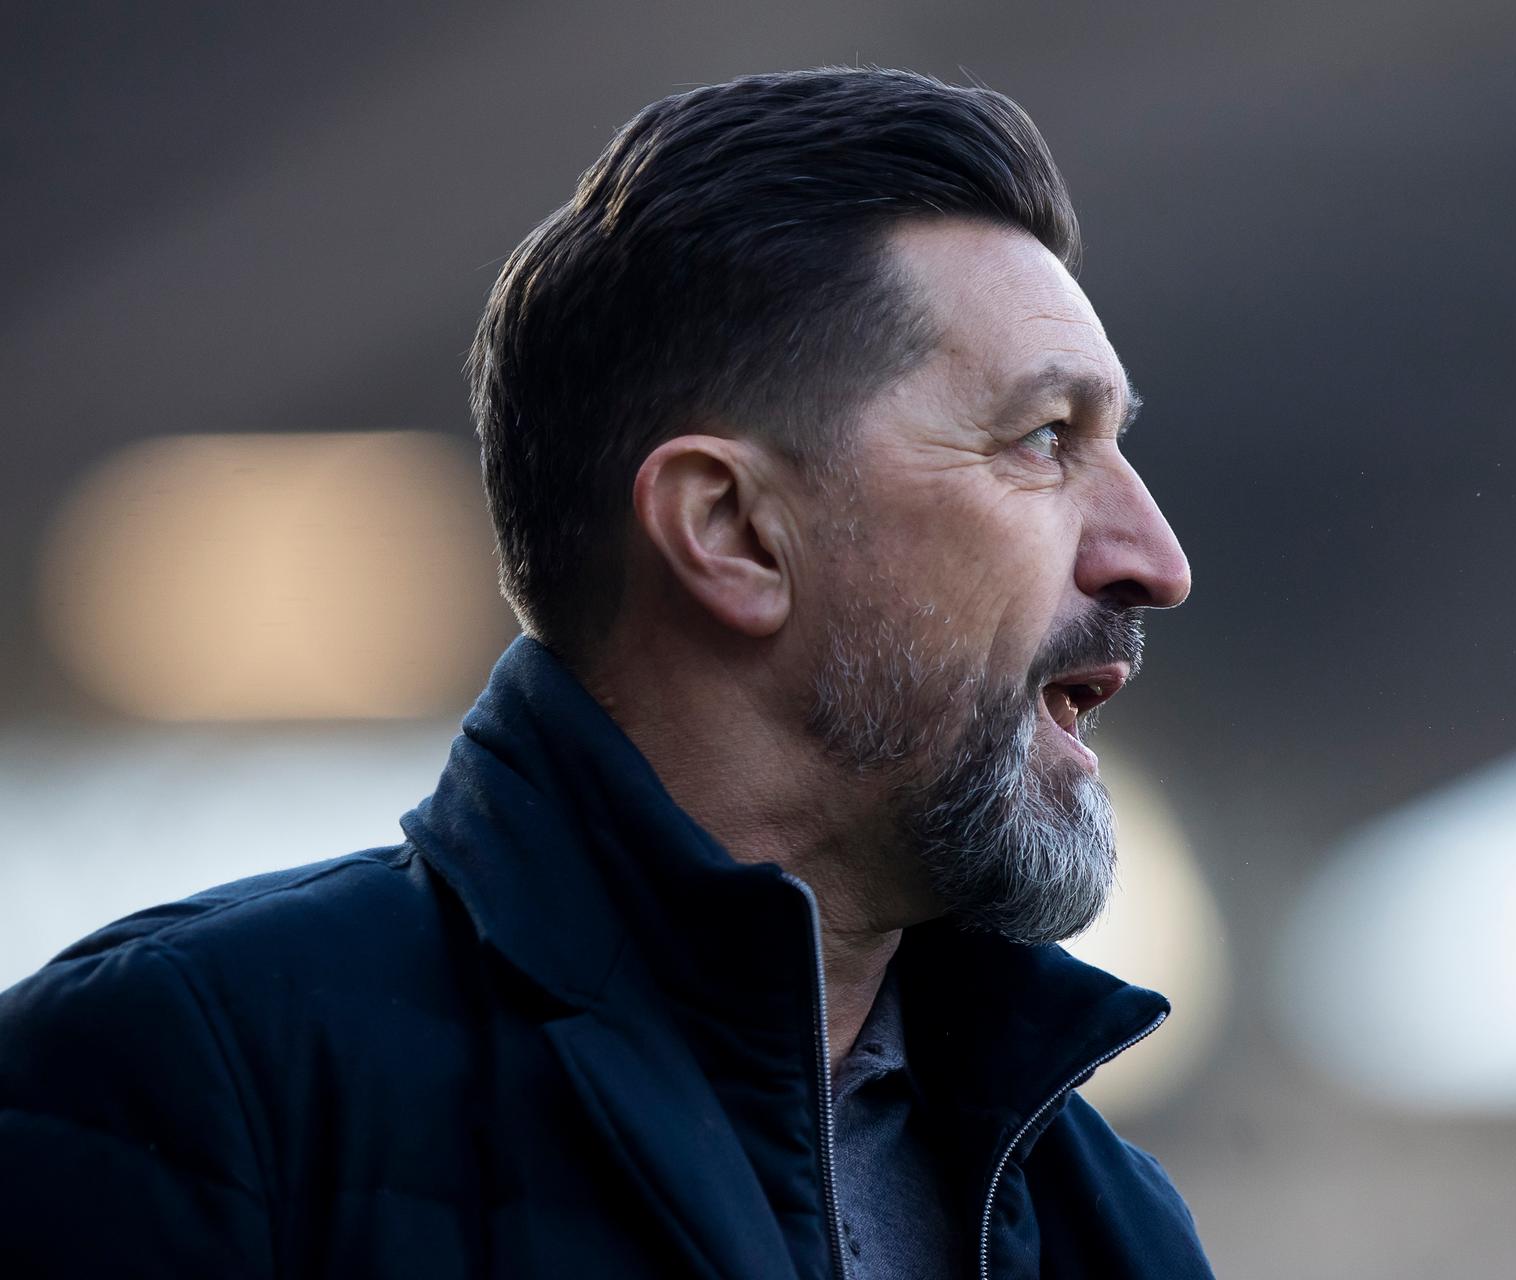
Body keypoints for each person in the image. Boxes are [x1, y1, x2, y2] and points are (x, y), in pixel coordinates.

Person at [0, 67, 1209, 1278]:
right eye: (1045, 439)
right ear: (731, 531)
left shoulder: (1110, 1220)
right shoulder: (188, 1081)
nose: (1155, 560)